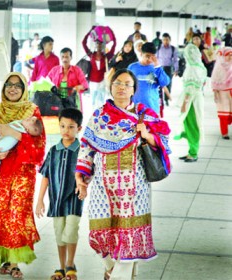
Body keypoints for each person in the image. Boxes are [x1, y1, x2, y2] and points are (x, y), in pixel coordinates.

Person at [75, 69, 171, 280]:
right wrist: (81, 176)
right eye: (118, 83)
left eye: (127, 84)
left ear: (134, 90)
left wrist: (146, 134)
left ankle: (120, 275)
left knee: (128, 234)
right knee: (98, 233)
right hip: (103, 185)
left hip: (135, 187)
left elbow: (163, 142)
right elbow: (86, 145)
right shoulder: (100, 115)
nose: (122, 88)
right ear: (111, 86)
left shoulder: (144, 115)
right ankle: (112, 269)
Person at [0, 72, 46, 279]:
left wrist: (12, 133)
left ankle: (15, 263)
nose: (13, 88)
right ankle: (5, 260)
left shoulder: (31, 110)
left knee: (17, 215)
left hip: (23, 172)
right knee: (2, 215)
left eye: (17, 85)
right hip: (0, 170)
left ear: (24, 88)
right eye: (9, 84)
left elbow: (39, 144)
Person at [35, 108, 84, 280]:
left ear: (79, 128)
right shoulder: (53, 150)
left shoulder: (81, 151)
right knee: (59, 233)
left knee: (71, 231)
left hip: (74, 199)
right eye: (62, 126)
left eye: (71, 127)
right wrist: (40, 200)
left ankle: (71, 265)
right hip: (56, 200)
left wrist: (83, 184)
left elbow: (88, 173)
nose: (66, 130)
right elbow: (46, 176)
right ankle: (61, 267)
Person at [174, 44, 207, 162]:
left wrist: (185, 103)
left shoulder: (192, 68)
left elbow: (191, 88)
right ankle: (191, 151)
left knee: (192, 125)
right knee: (193, 124)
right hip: (197, 99)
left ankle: (193, 153)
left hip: (192, 101)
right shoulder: (200, 66)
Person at [128, 42, 170, 116]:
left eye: (153, 56)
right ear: (141, 54)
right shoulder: (132, 67)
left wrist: (157, 66)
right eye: (147, 56)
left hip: (152, 108)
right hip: (135, 109)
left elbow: (165, 82)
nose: (150, 59)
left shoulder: (157, 68)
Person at [82, 29, 116, 108]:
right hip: (93, 82)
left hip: (102, 82)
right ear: (95, 45)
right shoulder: (91, 55)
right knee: (93, 102)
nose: (99, 46)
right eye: (97, 44)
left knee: (101, 101)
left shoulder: (106, 57)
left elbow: (114, 46)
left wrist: (112, 34)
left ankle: (101, 115)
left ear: (103, 46)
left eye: (100, 44)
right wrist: (90, 31)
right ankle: (93, 116)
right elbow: (83, 43)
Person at [211, 47, 232, 140]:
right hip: (222, 93)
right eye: (229, 55)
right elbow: (214, 80)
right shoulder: (219, 67)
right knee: (224, 114)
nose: (231, 57)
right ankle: (224, 132)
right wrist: (215, 92)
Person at [156, 33, 179, 105]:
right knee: (158, 84)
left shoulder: (173, 48)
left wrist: (176, 69)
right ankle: (160, 99)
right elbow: (155, 58)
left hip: (169, 68)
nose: (165, 41)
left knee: (168, 84)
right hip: (160, 68)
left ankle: (166, 99)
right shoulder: (158, 48)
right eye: (164, 40)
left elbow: (175, 60)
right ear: (162, 40)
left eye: (167, 40)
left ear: (170, 40)